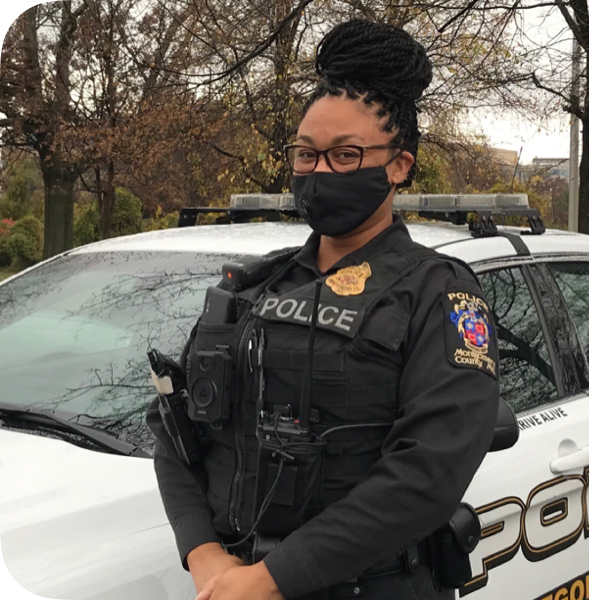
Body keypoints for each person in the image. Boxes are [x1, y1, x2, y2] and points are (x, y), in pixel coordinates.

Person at [146, 18, 500, 600]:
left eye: (346, 155)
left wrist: (272, 580)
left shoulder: (438, 291)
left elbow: (427, 474)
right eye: (307, 155)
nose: (319, 172)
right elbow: (174, 427)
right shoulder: (251, 288)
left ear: (400, 166)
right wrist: (204, 554)